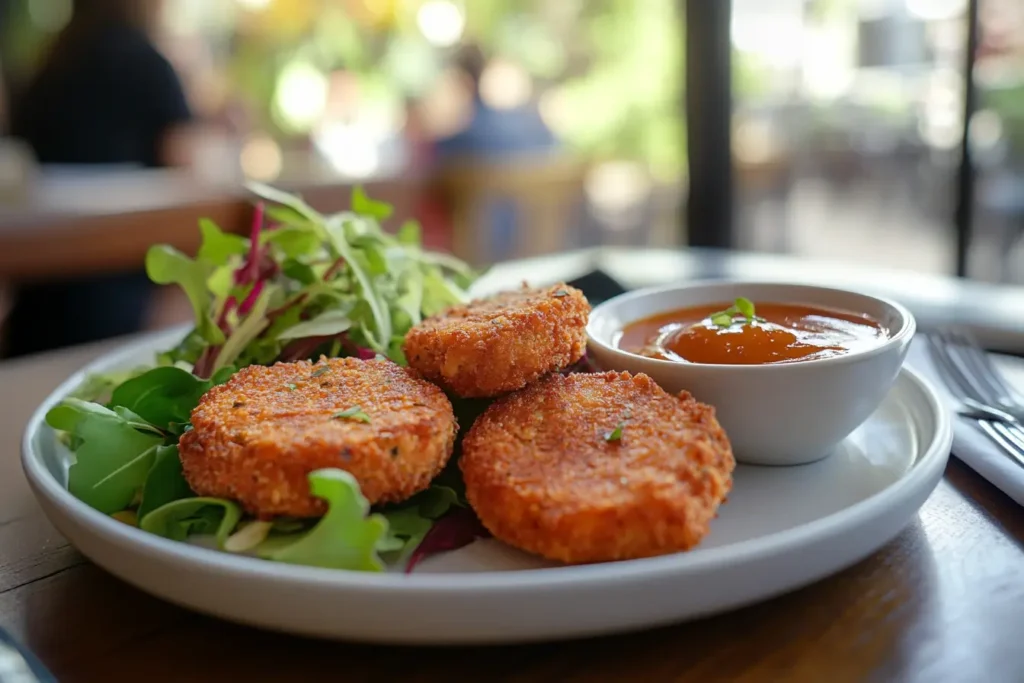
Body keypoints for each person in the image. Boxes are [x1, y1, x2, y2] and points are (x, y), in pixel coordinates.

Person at [3, 0, 195, 358]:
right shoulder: (148, 65)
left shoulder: (46, 66)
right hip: (127, 312)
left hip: (36, 314)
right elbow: (187, 174)